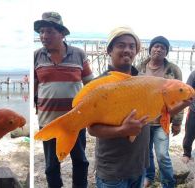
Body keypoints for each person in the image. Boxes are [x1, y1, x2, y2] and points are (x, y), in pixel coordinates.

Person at [34, 12, 93, 188]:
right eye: (41, 32)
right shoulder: (36, 56)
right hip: (48, 121)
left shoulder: (79, 54)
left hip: (76, 120)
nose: (44, 36)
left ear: (62, 33)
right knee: (52, 165)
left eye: (50, 31)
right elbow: (35, 87)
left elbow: (90, 85)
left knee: (80, 160)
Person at [88, 26, 151, 188]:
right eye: (121, 45)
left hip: (139, 165)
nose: (127, 50)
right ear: (110, 50)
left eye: (131, 46)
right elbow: (92, 129)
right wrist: (123, 131)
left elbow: (154, 114)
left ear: (136, 51)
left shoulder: (144, 82)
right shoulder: (100, 86)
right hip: (113, 171)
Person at [137, 36, 185, 188]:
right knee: (146, 153)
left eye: (162, 48)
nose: (158, 49)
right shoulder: (139, 68)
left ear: (166, 52)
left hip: (162, 120)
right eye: (156, 46)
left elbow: (180, 97)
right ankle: (149, 177)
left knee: (163, 155)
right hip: (143, 120)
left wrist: (177, 123)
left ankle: (168, 183)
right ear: (150, 49)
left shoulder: (173, 70)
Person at [182, 70, 195, 164]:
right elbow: (187, 89)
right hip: (194, 110)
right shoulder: (194, 74)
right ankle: (186, 153)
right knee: (189, 133)